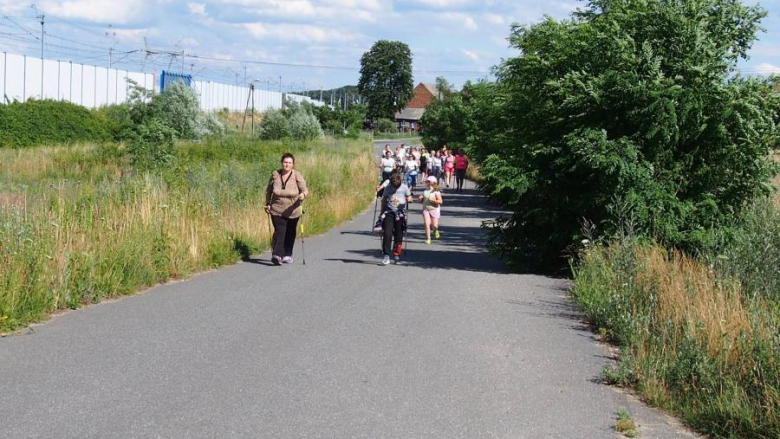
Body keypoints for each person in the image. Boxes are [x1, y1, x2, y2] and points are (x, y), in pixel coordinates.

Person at [265, 152, 309, 265]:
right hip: (276, 209)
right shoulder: (275, 175)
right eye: (285, 162)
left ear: (293, 164)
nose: (287, 165)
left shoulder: (297, 175)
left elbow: (305, 190)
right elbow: (269, 190)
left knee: (290, 232)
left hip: (292, 210)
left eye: (289, 163)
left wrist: (302, 195)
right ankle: (277, 255)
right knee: (280, 231)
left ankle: (287, 254)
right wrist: (268, 203)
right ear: (281, 163)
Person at [379, 173, 412, 265]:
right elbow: (384, 200)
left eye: (397, 187)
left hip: (400, 213)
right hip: (389, 212)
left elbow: (409, 197)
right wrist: (381, 213)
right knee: (387, 233)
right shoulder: (388, 188)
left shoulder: (404, 187)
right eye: (394, 187)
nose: (395, 189)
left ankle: (396, 254)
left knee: (399, 235)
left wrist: (409, 199)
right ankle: (386, 256)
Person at [418, 176, 443, 245]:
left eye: (428, 181)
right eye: (426, 181)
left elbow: (440, 201)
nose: (426, 182)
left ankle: (435, 231)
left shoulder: (436, 192)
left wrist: (434, 200)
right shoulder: (425, 191)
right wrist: (420, 198)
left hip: (434, 209)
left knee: (434, 226)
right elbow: (422, 199)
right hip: (426, 209)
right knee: (427, 224)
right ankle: (428, 238)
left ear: (432, 183)